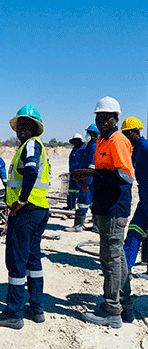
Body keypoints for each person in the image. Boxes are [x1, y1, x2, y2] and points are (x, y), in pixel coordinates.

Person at [73, 96, 134, 328]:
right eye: (98, 117)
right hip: (104, 207)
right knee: (117, 258)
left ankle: (112, 311)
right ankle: (124, 305)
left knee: (110, 260)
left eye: (106, 117)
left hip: (114, 208)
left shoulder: (117, 141)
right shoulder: (103, 140)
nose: (101, 121)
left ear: (116, 118)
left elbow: (125, 177)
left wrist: (91, 175)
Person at [0, 104, 50, 329]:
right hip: (39, 210)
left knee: (17, 262)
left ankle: (14, 313)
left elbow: (32, 170)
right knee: (33, 260)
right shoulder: (34, 146)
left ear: (35, 127)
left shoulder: (31, 145)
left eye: (27, 124)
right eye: (19, 124)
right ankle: (37, 307)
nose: (21, 128)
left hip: (26, 212)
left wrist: (22, 199)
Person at [121, 117, 148, 279]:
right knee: (134, 230)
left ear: (136, 132)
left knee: (136, 230)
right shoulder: (134, 149)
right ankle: (126, 269)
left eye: (127, 134)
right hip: (144, 198)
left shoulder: (145, 147)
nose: (124, 137)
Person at [66, 124, 99, 232]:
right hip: (85, 179)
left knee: (83, 201)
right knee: (91, 202)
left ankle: (78, 226)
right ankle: (96, 226)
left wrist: (87, 182)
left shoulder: (93, 146)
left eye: (89, 133)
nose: (87, 135)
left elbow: (92, 166)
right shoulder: (90, 146)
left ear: (93, 135)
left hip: (87, 180)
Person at [65, 133, 85, 210]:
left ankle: (77, 207)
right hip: (72, 173)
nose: (75, 142)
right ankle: (70, 205)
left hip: (79, 174)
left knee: (78, 191)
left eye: (77, 141)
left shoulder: (83, 150)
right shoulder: (74, 149)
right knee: (71, 190)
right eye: (74, 141)